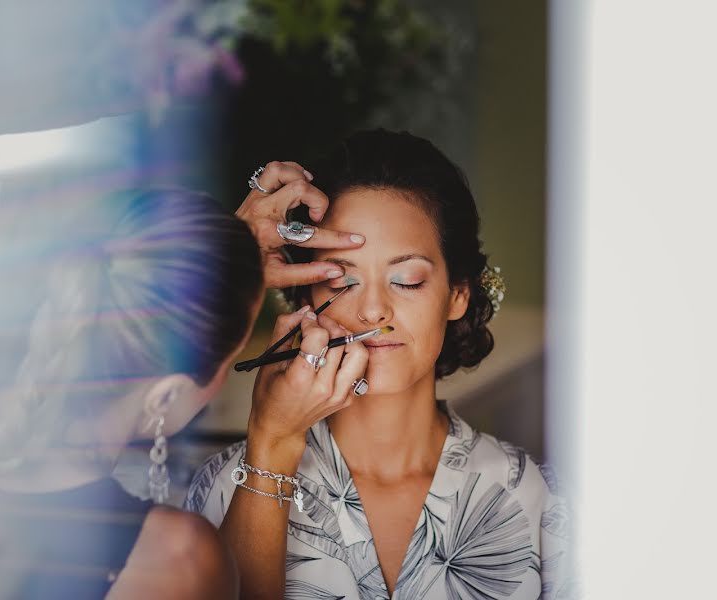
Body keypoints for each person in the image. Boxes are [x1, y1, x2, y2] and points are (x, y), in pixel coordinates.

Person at [187, 130, 577, 600]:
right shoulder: (225, 488)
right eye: (340, 279)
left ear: (457, 294)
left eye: (406, 280)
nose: (373, 310)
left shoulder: (539, 502)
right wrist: (271, 446)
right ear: (305, 292)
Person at [0, 188, 264, 599]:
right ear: (166, 396)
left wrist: (211, 261)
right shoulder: (175, 562)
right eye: (234, 358)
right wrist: (273, 441)